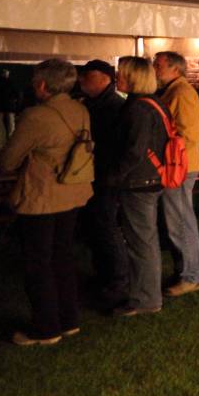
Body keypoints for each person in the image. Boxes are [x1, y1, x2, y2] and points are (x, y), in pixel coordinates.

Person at [0, 59, 93, 345]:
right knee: (62, 256)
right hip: (73, 191)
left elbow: (8, 160)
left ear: (42, 84)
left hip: (42, 195)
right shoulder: (80, 109)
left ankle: (46, 327)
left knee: (38, 262)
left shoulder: (36, 116)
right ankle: (68, 319)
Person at [107, 56, 169, 317]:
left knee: (141, 242)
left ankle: (146, 299)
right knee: (145, 239)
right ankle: (146, 294)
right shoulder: (153, 104)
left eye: (121, 73)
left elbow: (134, 151)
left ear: (134, 77)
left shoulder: (138, 108)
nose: (117, 78)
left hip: (139, 181)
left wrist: (114, 177)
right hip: (150, 178)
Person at [153, 52, 199, 297]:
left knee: (180, 221)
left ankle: (192, 275)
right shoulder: (174, 91)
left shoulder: (182, 93)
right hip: (178, 165)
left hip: (179, 167)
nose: (155, 69)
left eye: (159, 65)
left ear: (175, 69)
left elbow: (188, 134)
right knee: (177, 220)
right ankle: (187, 272)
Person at [78, 59, 130, 307]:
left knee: (107, 227)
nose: (82, 81)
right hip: (97, 175)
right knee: (98, 227)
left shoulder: (113, 106)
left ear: (103, 78)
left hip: (107, 176)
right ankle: (104, 276)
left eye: (87, 77)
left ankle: (118, 281)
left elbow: (116, 145)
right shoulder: (95, 103)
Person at [0, 68, 20, 148]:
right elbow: (18, 94)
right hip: (9, 108)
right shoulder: (11, 83)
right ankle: (12, 145)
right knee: (11, 127)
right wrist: (17, 105)